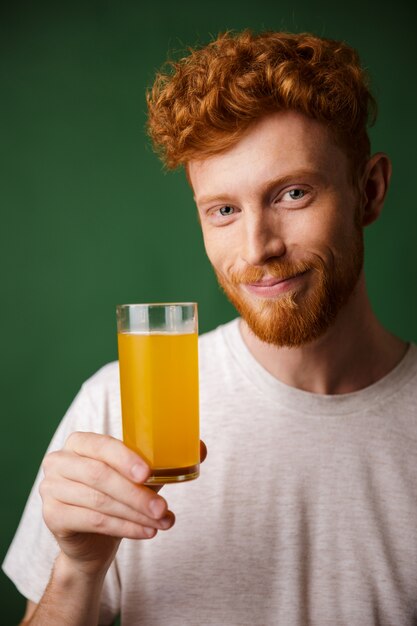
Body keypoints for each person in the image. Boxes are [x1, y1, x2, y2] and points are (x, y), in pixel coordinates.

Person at [3, 30, 417, 626]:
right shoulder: (117, 409)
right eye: (223, 210)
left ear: (369, 191)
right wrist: (77, 569)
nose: (257, 248)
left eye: (293, 193)